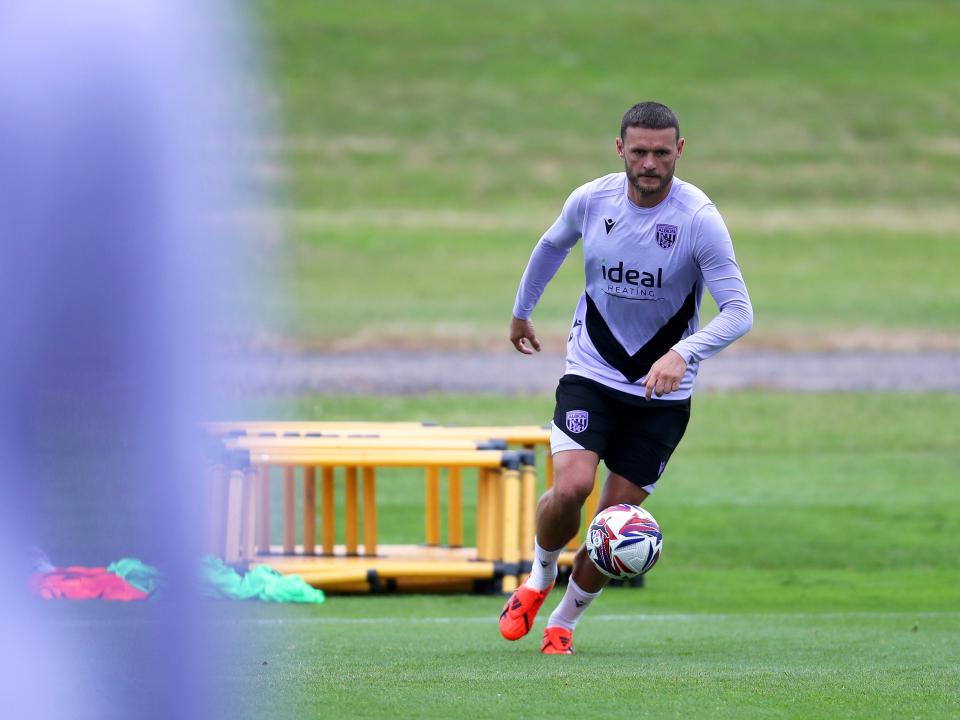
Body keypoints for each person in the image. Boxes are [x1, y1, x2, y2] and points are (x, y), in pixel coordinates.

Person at [499, 101, 753, 654]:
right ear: (620, 149)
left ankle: (564, 623)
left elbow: (739, 311)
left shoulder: (698, 218)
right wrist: (522, 310)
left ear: (679, 152)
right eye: (639, 151)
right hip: (591, 369)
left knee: (615, 522)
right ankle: (540, 577)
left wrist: (684, 353)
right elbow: (551, 245)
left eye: (662, 153)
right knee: (572, 487)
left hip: (661, 394)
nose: (650, 163)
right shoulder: (592, 199)